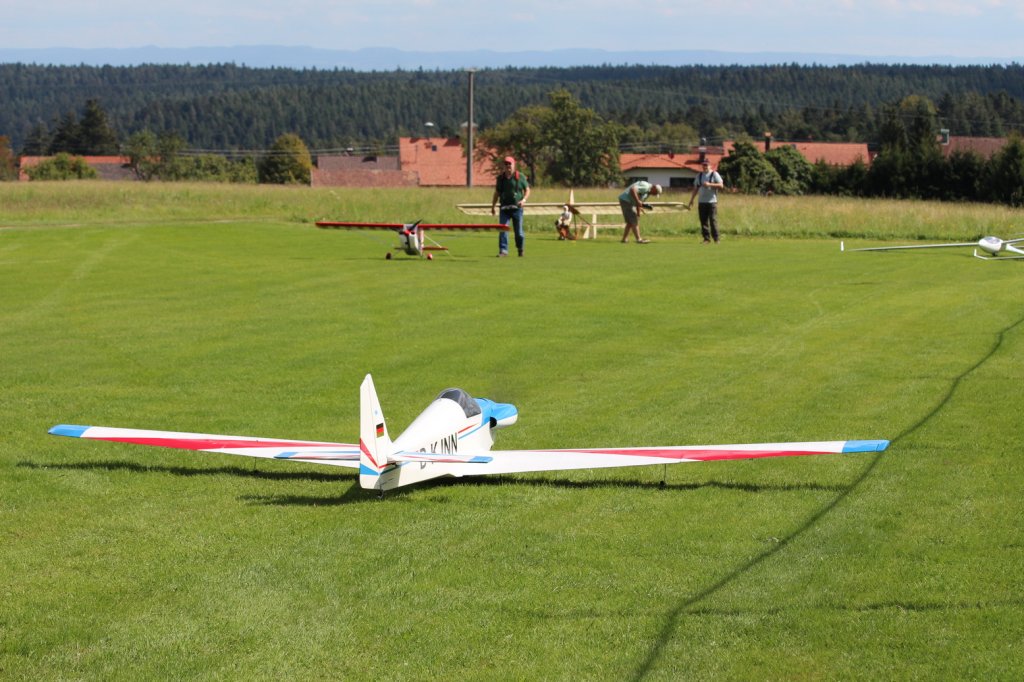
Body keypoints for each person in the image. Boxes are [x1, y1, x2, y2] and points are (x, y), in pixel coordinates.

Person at [490, 156, 531, 257]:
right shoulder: (501, 179)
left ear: (514, 165)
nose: (508, 166)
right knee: (503, 230)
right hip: (504, 209)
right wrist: (493, 206)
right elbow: (497, 193)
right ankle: (503, 251)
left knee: (519, 232)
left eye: (510, 164)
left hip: (517, 209)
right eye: (506, 164)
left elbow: (527, 190)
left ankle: (520, 248)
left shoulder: (520, 177)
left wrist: (524, 200)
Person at [688, 160, 724, 243]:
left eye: (706, 165)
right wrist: (692, 199)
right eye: (703, 165)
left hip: (712, 202)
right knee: (703, 221)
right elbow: (696, 188)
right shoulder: (699, 175)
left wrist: (710, 184)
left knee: (713, 220)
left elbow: (721, 185)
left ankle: (716, 239)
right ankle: (706, 239)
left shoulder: (714, 174)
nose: (705, 167)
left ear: (710, 166)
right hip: (701, 202)